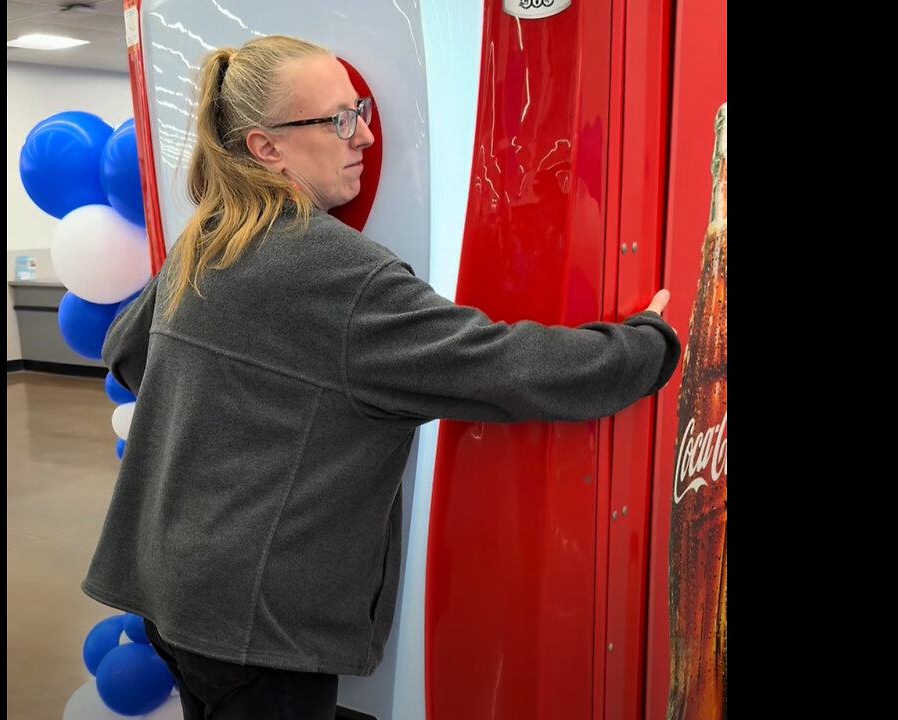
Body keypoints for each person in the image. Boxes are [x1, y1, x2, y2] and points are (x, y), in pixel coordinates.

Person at [82, 34, 681, 720]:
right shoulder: (339, 274)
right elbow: (505, 367)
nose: (365, 134)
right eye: (337, 120)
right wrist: (648, 344)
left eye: (359, 108)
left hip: (174, 588)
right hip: (257, 626)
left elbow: (127, 353)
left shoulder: (213, 237)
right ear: (265, 148)